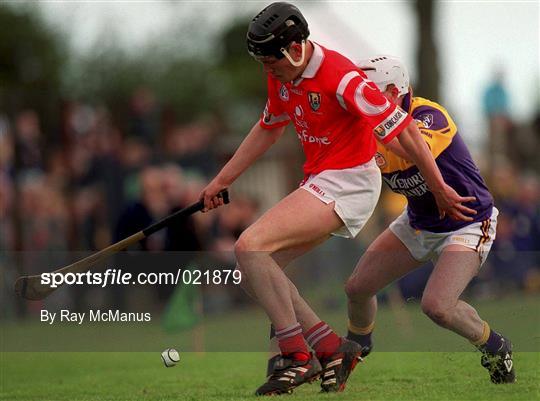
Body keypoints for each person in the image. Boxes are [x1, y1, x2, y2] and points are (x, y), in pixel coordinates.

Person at [200, 3, 476, 395]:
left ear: (296, 48)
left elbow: (407, 132)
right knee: (259, 270)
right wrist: (220, 181)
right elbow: (268, 128)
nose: (267, 69)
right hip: (321, 180)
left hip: (350, 182)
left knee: (249, 246)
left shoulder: (342, 77)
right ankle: (329, 347)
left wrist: (437, 186)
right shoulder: (280, 73)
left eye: (271, 60)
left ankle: (296, 355)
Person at [344, 56, 515, 384]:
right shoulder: (368, 126)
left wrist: (366, 128)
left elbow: (412, 147)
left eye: (370, 95)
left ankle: (496, 346)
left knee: (437, 306)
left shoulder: (428, 114)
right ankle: (357, 348)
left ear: (394, 92)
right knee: (357, 287)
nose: (361, 104)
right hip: (418, 222)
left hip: (467, 221)